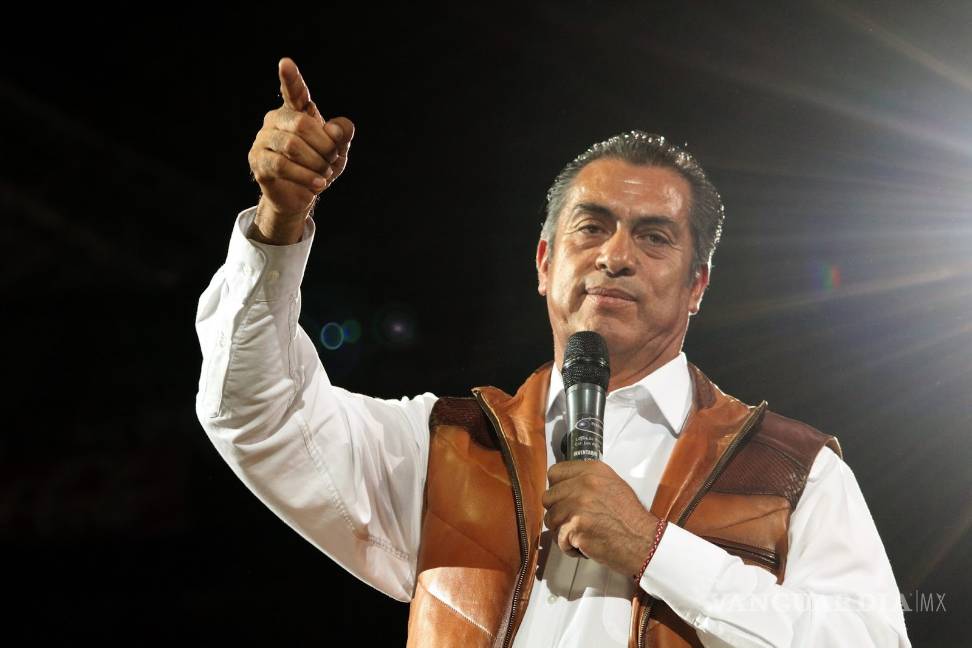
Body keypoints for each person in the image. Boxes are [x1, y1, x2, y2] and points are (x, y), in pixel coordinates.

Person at [194, 57, 911, 647]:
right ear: (544, 263)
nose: (615, 256)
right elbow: (257, 416)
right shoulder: (446, 448)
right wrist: (279, 221)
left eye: (654, 236)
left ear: (697, 286)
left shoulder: (794, 471)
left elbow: (871, 639)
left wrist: (652, 548)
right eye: (591, 227)